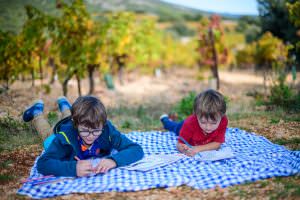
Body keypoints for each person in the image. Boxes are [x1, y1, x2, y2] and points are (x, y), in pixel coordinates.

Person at [23, 96, 144, 177]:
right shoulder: (64, 139)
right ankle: (36, 112)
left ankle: (64, 105)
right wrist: (73, 168)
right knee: (46, 133)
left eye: (96, 130)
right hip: (61, 130)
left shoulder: (107, 130)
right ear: (76, 125)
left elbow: (136, 149)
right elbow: (43, 163)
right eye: (85, 131)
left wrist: (114, 160)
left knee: (69, 115)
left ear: (103, 124)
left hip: (75, 118)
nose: (91, 136)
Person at [160, 89, 228, 157]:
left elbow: (217, 144)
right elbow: (179, 144)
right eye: (203, 122)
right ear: (196, 115)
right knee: (174, 127)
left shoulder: (223, 121)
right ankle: (165, 120)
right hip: (183, 126)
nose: (208, 127)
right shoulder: (189, 124)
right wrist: (184, 149)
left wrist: (198, 149)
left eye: (213, 123)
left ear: (221, 116)